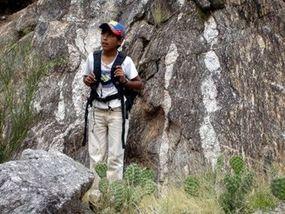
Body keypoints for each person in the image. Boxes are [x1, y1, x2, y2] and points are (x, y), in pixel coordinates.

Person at [82, 20, 144, 204]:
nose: (105, 38)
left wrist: (125, 81)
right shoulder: (92, 58)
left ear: (120, 41)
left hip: (117, 110)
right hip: (97, 110)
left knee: (116, 155)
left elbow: (139, 84)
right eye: (103, 34)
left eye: (110, 35)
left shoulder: (125, 61)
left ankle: (113, 200)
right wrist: (89, 81)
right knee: (96, 155)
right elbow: (86, 78)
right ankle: (95, 199)